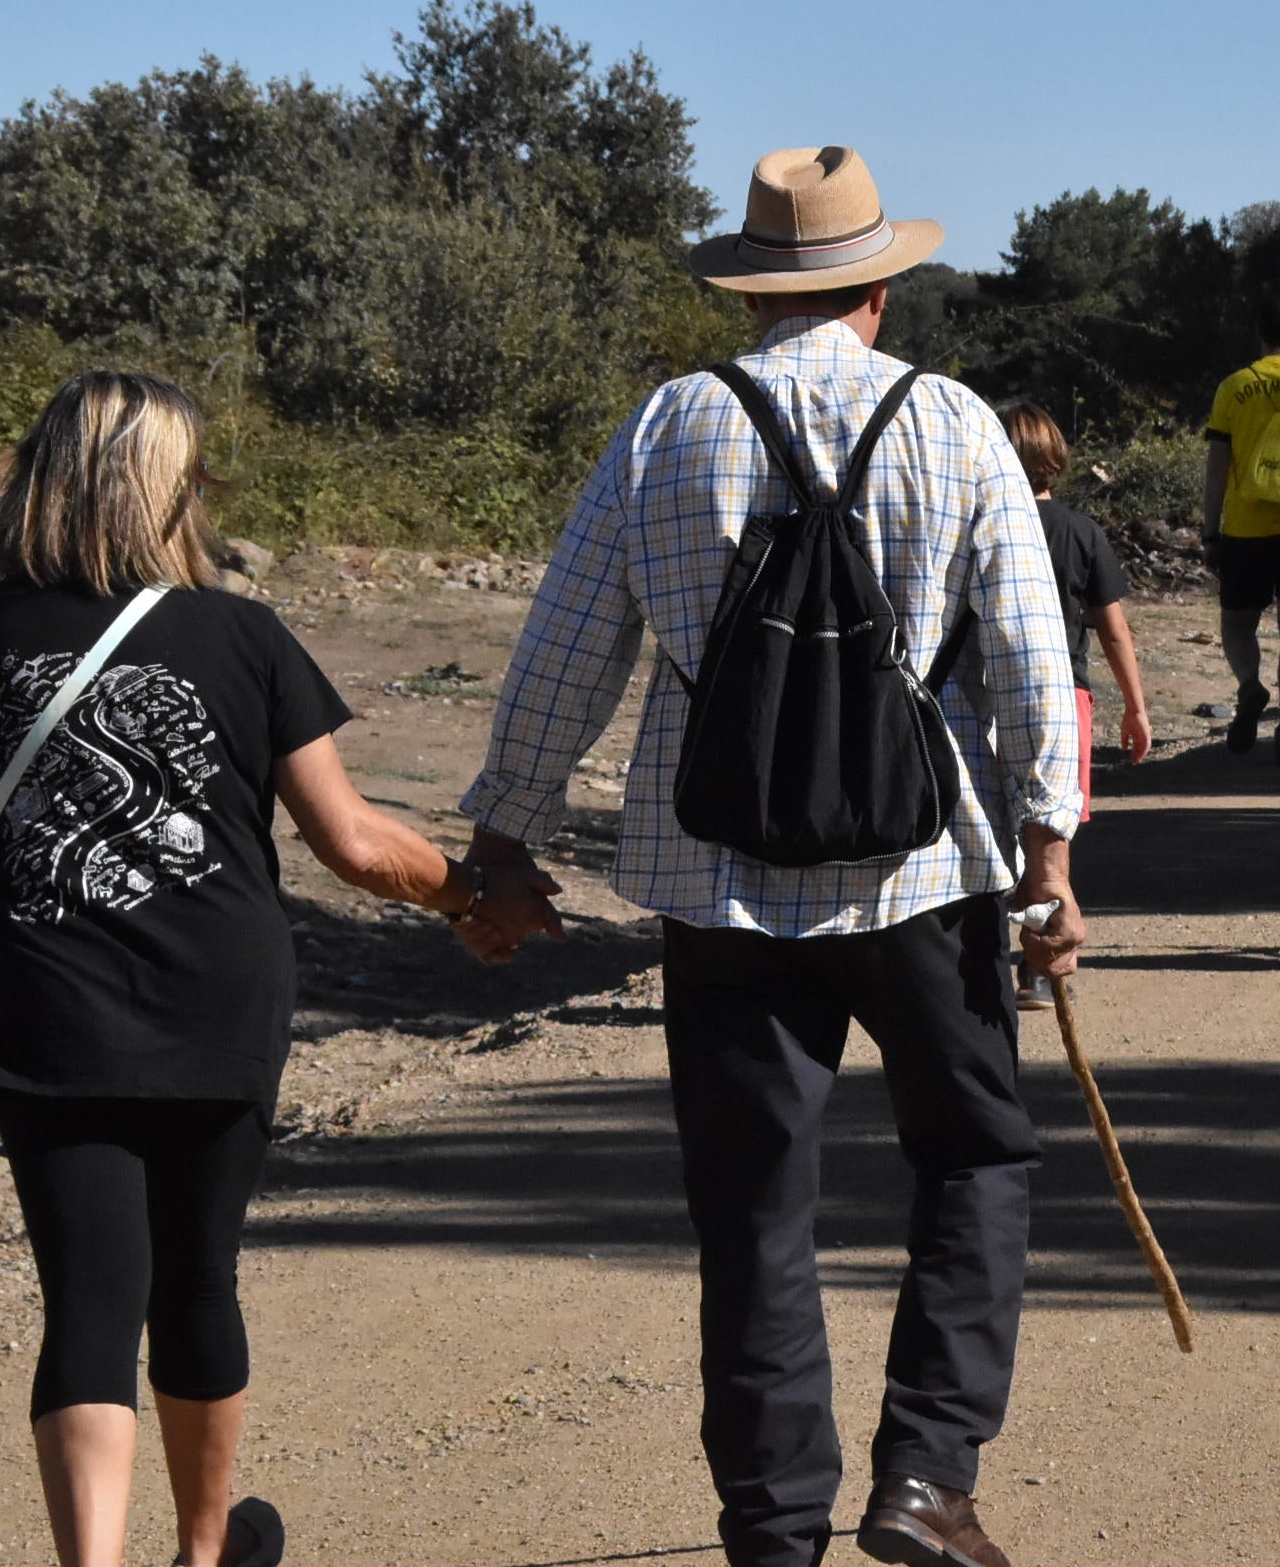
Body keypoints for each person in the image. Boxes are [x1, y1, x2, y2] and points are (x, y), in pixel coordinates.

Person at [460, 146, 1085, 1567]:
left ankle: (773, 1529)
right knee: (978, 1151)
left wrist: (508, 834)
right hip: (924, 867)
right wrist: (1050, 854)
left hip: (718, 871)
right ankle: (927, 1474)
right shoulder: (957, 423)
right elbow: (1032, 662)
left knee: (754, 1204)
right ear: (879, 286)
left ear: (750, 293)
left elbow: (567, 647)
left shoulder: (670, 427)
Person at [0, 371, 563, 1567]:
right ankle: (205, 1556)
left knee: (88, 1302)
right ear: (171, 492)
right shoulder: (243, 632)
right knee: (197, 1280)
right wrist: (475, 900)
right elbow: (353, 842)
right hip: (216, 995)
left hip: (43, 997)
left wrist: (55, 927)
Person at [998, 402, 1149, 1011]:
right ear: (1055, 459)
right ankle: (1043, 972)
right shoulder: (1079, 530)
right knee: (1049, 837)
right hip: (1067, 696)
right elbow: (1112, 629)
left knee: (991, 831)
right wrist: (1135, 706)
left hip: (994, 692)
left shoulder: (986, 523)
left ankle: (986, 963)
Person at [1201, 300, 1280, 763]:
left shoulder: (1233, 387)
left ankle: (1250, 685)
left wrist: (1211, 532)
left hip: (1245, 528)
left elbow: (1216, 468)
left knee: (1237, 623)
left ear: (1260, 335)